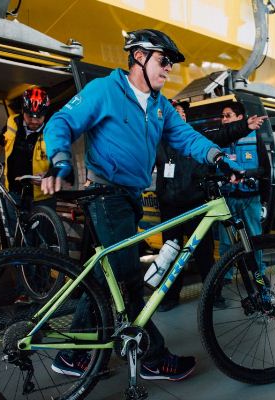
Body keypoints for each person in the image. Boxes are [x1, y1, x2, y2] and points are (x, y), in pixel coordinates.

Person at [41, 29, 242, 381]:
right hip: (106, 194)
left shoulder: (161, 105)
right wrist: (59, 158)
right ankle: (152, 356)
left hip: (129, 197)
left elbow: (185, 136)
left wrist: (217, 156)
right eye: (164, 61)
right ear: (139, 56)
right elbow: (62, 121)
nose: (168, 70)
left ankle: (76, 355)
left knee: (110, 279)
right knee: (129, 278)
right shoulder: (106, 90)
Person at [155, 100, 266, 312]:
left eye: (183, 113)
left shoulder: (196, 136)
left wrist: (244, 126)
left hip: (197, 203)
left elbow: (223, 134)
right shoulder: (158, 140)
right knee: (170, 254)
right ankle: (169, 297)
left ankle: (213, 295)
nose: (181, 116)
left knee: (204, 254)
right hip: (170, 207)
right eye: (175, 113)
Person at [0, 86, 54, 304]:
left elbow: (62, 156)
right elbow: (1, 139)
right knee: (20, 243)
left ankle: (42, 288)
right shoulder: (12, 121)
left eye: (39, 116)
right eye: (30, 116)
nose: (34, 121)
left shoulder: (53, 129)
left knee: (41, 243)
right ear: (23, 111)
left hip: (41, 194)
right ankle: (25, 290)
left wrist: (50, 174)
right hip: (14, 192)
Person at [217, 103, 265, 281]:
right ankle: (225, 278)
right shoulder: (219, 138)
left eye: (228, 115)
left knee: (254, 238)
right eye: (223, 116)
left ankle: (258, 273)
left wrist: (247, 174)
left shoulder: (254, 136)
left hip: (250, 199)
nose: (224, 119)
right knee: (226, 242)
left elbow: (265, 169)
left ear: (240, 118)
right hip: (227, 198)